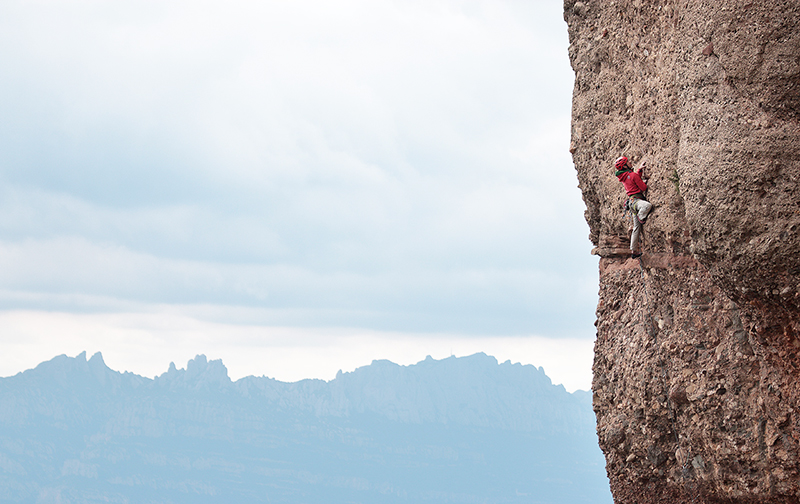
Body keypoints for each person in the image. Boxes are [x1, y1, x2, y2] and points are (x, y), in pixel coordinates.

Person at [614, 156, 652, 258]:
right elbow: (643, 187)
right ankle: (641, 216)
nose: (630, 162)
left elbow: (633, 179)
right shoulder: (632, 175)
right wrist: (643, 181)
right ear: (625, 165)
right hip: (637, 202)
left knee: (636, 228)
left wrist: (639, 170)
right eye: (628, 162)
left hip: (632, 204)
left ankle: (633, 250)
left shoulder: (624, 176)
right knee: (647, 206)